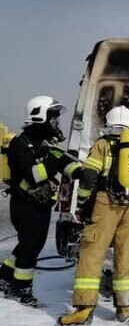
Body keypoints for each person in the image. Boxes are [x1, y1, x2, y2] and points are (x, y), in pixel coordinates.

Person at [57, 106, 129, 326]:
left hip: (105, 203)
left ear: (109, 123)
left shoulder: (102, 145)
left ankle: (83, 310)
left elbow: (88, 175)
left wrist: (82, 202)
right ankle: (125, 307)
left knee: (92, 253)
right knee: (125, 255)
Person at [0, 96, 81, 306]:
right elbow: (33, 175)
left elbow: (65, 164)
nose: (55, 123)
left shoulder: (49, 143)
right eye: (52, 118)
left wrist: (82, 172)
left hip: (41, 204)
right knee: (30, 246)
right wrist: (54, 158)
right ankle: (22, 288)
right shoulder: (20, 144)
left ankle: (5, 274)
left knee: (32, 243)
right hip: (24, 204)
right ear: (40, 117)